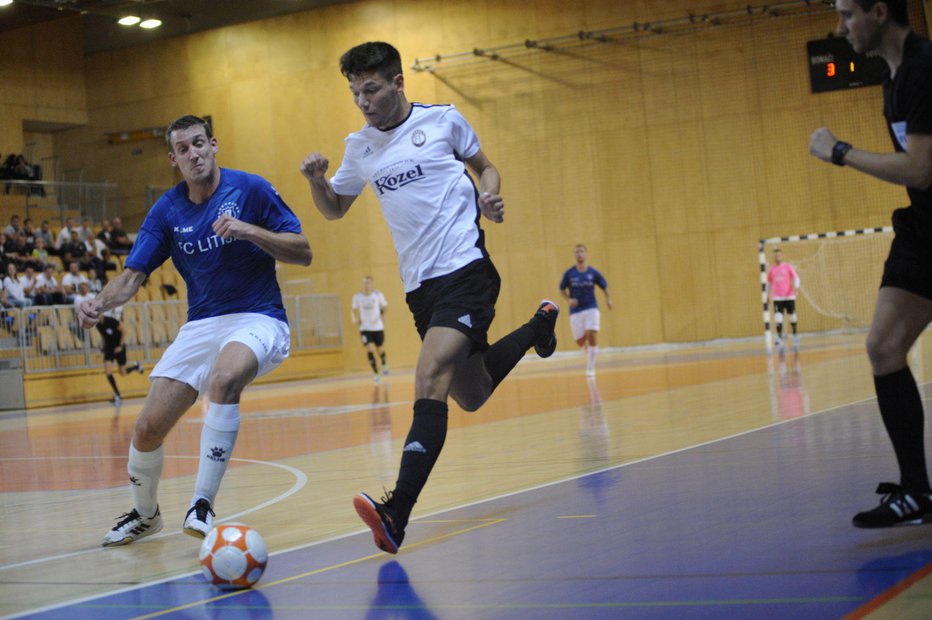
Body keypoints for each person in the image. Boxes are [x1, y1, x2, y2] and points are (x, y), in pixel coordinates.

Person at [300, 41, 559, 555]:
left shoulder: (443, 120)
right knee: (472, 393)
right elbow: (333, 209)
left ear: (398, 83)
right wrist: (315, 182)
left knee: (428, 374)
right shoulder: (360, 147)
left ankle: (397, 512)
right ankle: (538, 328)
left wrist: (489, 194)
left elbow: (486, 167)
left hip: (466, 269)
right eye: (354, 92)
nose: (363, 101)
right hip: (421, 288)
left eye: (370, 89)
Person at [79, 114, 311, 547]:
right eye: (183, 149)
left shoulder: (251, 189)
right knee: (148, 427)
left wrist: (249, 231)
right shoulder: (167, 209)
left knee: (223, 381)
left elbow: (303, 251)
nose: (194, 153)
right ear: (174, 159)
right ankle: (145, 515)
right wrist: (99, 303)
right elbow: (131, 278)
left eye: (199, 143)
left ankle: (201, 504)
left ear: (214, 144)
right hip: (201, 325)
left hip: (258, 315)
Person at [809, 0, 932, 528]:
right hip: (924, 230)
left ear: (880, 12)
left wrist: (840, 152)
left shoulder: (924, 69)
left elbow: (921, 169)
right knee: (883, 347)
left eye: (847, 15)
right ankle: (915, 492)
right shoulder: (893, 78)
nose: (840, 28)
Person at [74, 284, 144, 404]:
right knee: (107, 371)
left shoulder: (111, 321)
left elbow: (124, 331)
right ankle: (117, 395)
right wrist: (101, 351)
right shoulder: (99, 325)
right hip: (109, 349)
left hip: (119, 347)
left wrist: (120, 346)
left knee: (122, 373)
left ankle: (136, 366)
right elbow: (104, 338)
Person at [559, 244, 613, 377]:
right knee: (580, 341)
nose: (579, 254)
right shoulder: (569, 273)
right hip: (576, 311)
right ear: (574, 255)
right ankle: (585, 347)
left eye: (582, 251)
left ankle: (590, 367)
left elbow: (604, 286)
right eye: (577, 252)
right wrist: (568, 300)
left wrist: (608, 299)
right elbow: (561, 289)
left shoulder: (593, 273)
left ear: (586, 254)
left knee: (591, 334)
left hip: (591, 307)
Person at [352, 275, 389, 383]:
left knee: (380, 349)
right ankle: (376, 373)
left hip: (377, 327)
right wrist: (354, 318)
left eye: (368, 283)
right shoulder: (358, 297)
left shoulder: (378, 295)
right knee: (369, 348)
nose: (366, 285)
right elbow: (353, 309)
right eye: (365, 283)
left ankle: (384, 362)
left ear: (372, 284)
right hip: (365, 328)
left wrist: (384, 315)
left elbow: (385, 306)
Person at [767, 247, 801, 347]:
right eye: (775, 256)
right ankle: (779, 337)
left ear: (782, 256)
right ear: (773, 257)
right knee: (778, 318)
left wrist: (796, 288)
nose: (777, 257)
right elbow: (769, 284)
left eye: (779, 255)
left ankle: (795, 334)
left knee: (792, 317)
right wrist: (767, 295)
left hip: (789, 296)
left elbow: (796, 278)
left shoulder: (787, 267)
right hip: (777, 298)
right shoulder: (771, 270)